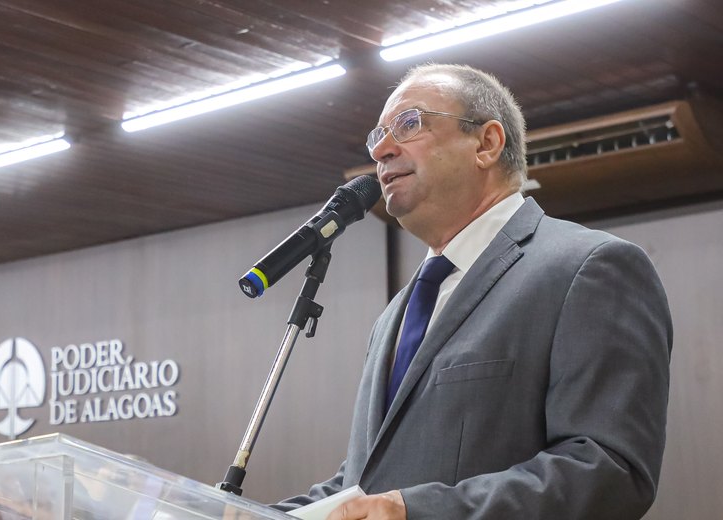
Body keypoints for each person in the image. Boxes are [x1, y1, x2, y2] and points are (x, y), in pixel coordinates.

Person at [272, 64, 672, 519]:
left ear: (486, 144)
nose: (381, 150)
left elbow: (610, 472)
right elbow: (370, 481)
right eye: (377, 135)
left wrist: (417, 512)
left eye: (408, 124)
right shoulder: (396, 314)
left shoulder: (589, 268)